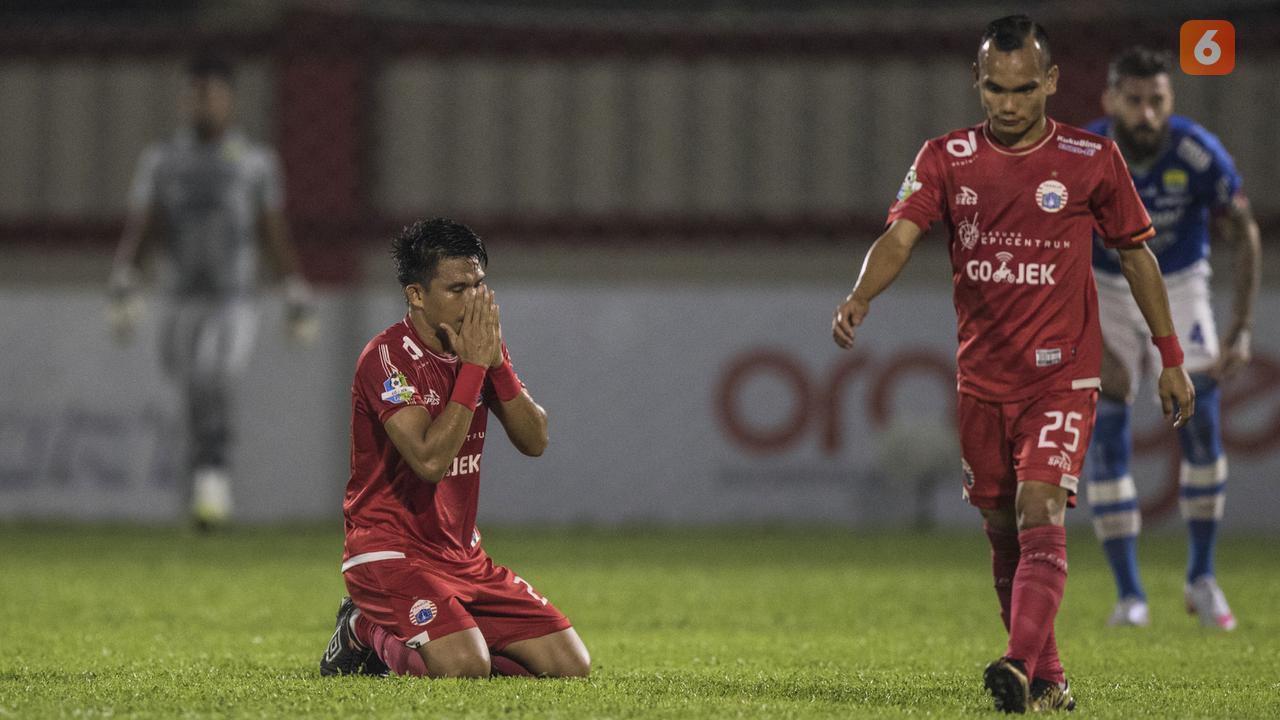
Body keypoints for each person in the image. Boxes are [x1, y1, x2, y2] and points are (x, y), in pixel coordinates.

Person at [830, 16, 1194, 714]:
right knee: (1001, 528)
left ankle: (1017, 661)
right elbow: (900, 236)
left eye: (1024, 89)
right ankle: (1047, 680)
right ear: (978, 82)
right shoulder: (946, 156)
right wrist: (860, 295)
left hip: (1061, 376)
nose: (1008, 103)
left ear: (1051, 83)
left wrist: (1169, 355)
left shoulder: (1092, 159)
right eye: (994, 89)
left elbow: (1136, 252)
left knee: (1039, 508)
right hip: (982, 380)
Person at [319, 218, 590, 679]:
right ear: (416, 295)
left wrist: (495, 365)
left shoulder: (479, 350)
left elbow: (535, 440)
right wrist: (472, 369)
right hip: (388, 553)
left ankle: (450, 633)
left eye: (479, 286)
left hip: (463, 557)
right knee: (463, 670)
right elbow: (429, 461)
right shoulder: (387, 358)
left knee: (570, 667)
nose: (473, 300)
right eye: (457, 288)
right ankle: (363, 629)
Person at [1083, 47, 1260, 630]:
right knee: (1106, 431)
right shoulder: (1083, 156)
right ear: (1110, 102)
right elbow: (1050, 248)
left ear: (1170, 101)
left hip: (1180, 285)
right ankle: (1131, 596)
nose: (1146, 114)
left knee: (1202, 420)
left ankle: (1201, 579)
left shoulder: (1196, 151)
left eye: (1156, 100)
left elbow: (1245, 231)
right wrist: (1079, 327)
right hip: (1105, 288)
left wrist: (1238, 328)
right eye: (1133, 101)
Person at [107, 53, 316, 528]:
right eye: (196, 96)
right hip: (179, 297)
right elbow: (147, 225)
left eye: (213, 96)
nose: (204, 106)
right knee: (192, 390)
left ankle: (213, 478)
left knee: (212, 378)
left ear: (229, 102)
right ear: (186, 100)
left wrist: (294, 288)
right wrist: (125, 277)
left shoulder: (254, 162)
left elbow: (270, 229)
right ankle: (201, 482)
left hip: (232, 299)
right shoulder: (163, 160)